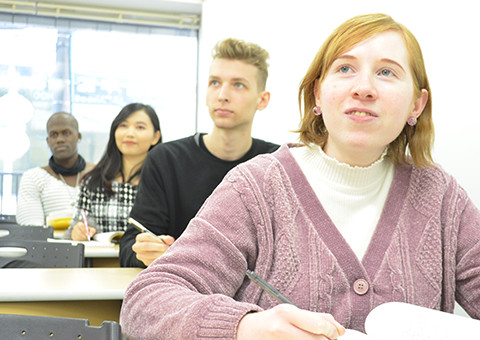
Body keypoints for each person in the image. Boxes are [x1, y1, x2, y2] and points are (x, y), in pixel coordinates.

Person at [119, 13, 480, 340]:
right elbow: (145, 302)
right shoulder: (255, 187)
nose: (364, 87)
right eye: (345, 69)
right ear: (317, 95)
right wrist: (243, 326)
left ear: (416, 104)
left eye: (387, 72)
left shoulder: (442, 198)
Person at [119, 38, 279, 267]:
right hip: (181, 292)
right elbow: (129, 245)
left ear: (262, 100)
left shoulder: (276, 164)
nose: (222, 95)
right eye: (215, 83)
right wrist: (146, 250)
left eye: (238, 85)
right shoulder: (166, 160)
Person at [65, 103, 161, 241]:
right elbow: (78, 224)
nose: (130, 133)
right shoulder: (93, 181)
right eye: (123, 126)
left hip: (148, 261)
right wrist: (78, 231)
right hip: (100, 261)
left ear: (155, 137)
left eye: (140, 127)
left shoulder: (163, 183)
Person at [16, 112, 95, 226]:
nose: (60, 139)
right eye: (54, 135)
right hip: (48, 244)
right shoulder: (33, 178)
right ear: (48, 141)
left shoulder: (98, 175)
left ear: (78, 137)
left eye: (66, 133)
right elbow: (32, 229)